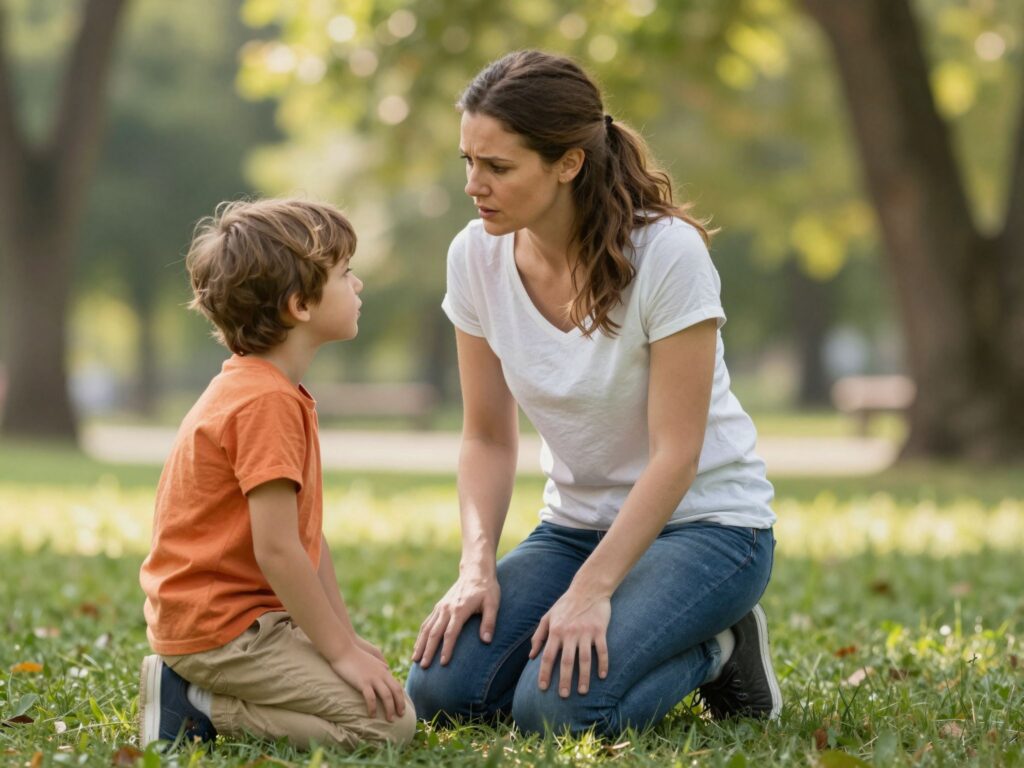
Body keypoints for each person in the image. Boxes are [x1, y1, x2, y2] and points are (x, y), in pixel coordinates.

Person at [405, 50, 781, 736]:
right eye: (468, 161)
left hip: (707, 528)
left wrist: (592, 591)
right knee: (442, 692)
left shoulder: (666, 254)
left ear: (568, 163)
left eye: (497, 167)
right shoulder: (475, 256)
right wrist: (475, 567)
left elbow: (676, 455)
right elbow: (486, 436)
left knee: (556, 711)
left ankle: (720, 650)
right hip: (575, 528)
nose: (473, 185)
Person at [138, 199, 415, 750]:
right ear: (299, 305)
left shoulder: (265, 389)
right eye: (346, 273)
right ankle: (195, 705)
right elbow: (278, 550)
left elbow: (307, 540)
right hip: (222, 633)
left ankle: (199, 695)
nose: (358, 285)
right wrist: (338, 653)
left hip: (240, 622)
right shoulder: (265, 402)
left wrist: (346, 640)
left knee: (383, 695)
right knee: (388, 725)